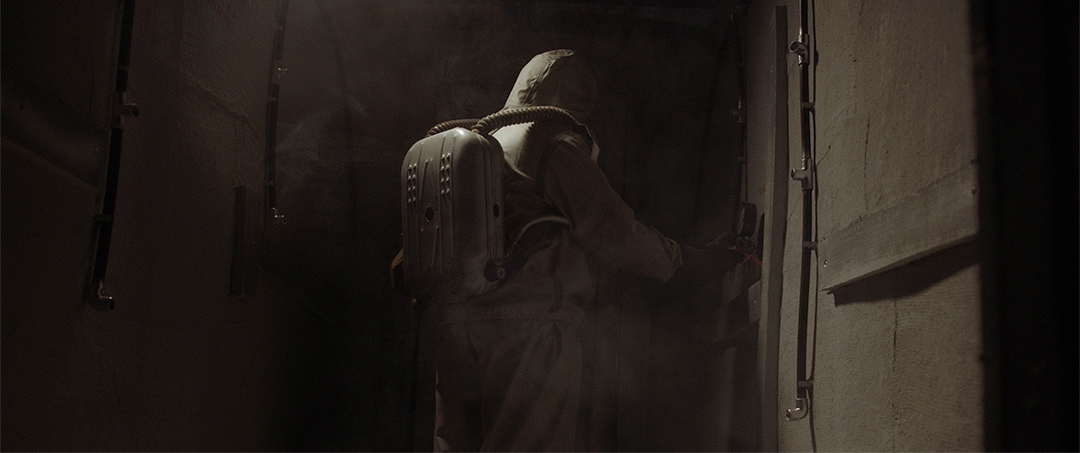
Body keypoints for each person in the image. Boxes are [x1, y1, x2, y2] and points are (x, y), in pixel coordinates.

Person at [433, 49, 737, 452]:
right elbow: (612, 231)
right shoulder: (546, 139)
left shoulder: (479, 144)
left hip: (455, 327)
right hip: (528, 328)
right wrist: (681, 262)